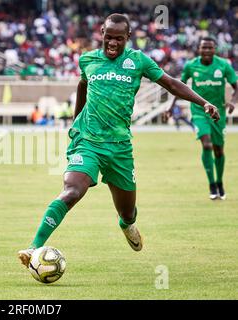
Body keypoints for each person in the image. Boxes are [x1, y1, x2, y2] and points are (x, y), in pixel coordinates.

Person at [17, 14, 219, 267]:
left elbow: (171, 84)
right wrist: (75, 120)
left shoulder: (138, 61)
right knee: (71, 191)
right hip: (88, 141)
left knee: (127, 211)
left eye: (118, 39)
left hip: (120, 147)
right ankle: (33, 247)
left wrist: (204, 102)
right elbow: (83, 85)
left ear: (128, 38)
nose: (112, 43)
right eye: (108, 37)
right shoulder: (88, 59)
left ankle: (127, 225)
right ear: (101, 32)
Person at [165, 37, 237, 200]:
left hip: (218, 114)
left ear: (214, 50)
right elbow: (179, 87)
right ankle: (211, 184)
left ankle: (219, 182)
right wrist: (170, 106)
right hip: (199, 112)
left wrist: (232, 101)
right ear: (198, 49)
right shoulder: (191, 66)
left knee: (219, 150)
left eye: (210, 48)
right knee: (207, 144)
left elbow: (236, 87)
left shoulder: (224, 65)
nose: (206, 51)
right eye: (203, 48)